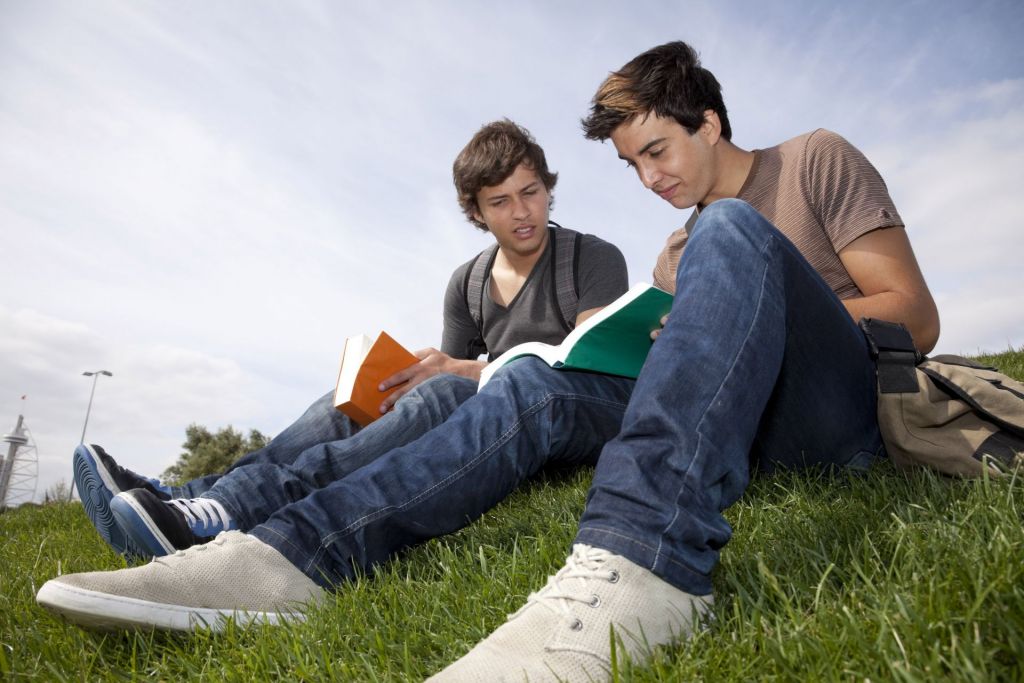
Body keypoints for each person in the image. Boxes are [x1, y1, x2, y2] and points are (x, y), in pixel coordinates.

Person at [38, 40, 938, 683]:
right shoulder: (677, 249)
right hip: (737, 420)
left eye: (658, 150)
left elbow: (913, 314)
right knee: (533, 383)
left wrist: (742, 312)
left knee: (734, 232)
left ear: (710, 122)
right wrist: (690, 331)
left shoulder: (810, 162)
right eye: (631, 165)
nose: (651, 178)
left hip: (840, 409)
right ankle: (290, 555)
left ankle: (644, 561)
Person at [68, 119, 628, 558]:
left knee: (435, 393)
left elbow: (582, 367)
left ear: (549, 189)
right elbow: (452, 360)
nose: (522, 212)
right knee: (371, 391)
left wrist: (458, 372)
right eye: (500, 202)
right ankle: (192, 496)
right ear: (477, 213)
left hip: (543, 430)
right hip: (479, 416)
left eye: (530, 192)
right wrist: (413, 372)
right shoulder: (468, 281)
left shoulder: (590, 258)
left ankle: (232, 508)